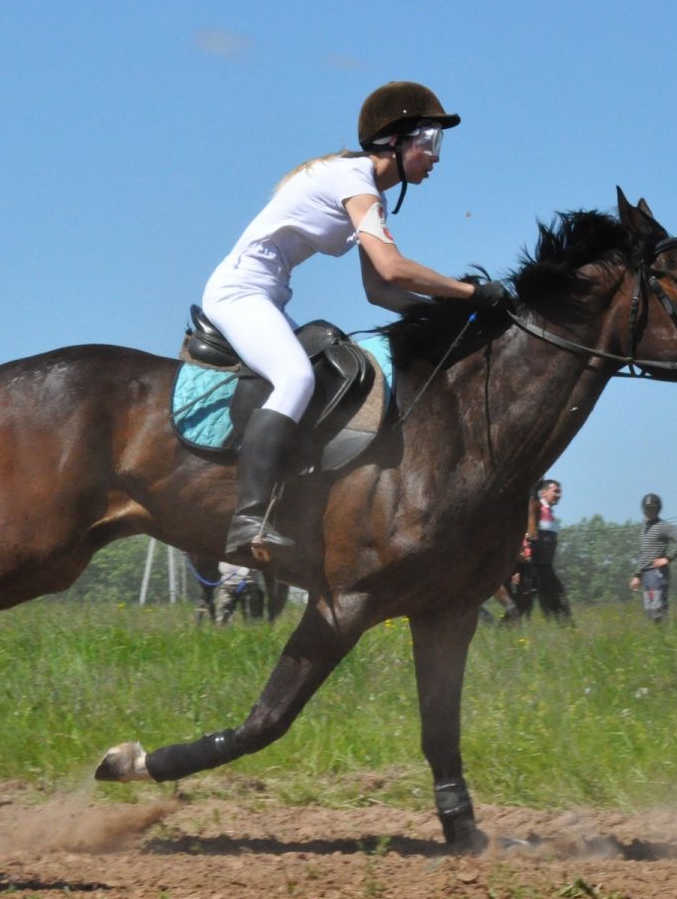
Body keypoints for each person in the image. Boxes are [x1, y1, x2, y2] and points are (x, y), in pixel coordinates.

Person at [202, 81, 509, 560]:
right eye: (430, 143)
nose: (436, 157)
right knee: (295, 377)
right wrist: (470, 292)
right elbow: (393, 268)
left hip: (267, 296)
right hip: (239, 292)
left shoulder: (367, 195)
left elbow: (379, 291)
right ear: (396, 141)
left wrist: (450, 317)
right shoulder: (353, 180)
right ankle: (249, 519)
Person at [630, 493, 677, 623]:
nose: (649, 511)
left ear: (658, 509)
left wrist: (667, 558)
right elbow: (643, 554)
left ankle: (666, 636)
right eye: (647, 508)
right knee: (650, 610)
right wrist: (637, 575)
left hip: (658, 574)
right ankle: (658, 637)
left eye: (652, 508)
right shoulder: (645, 529)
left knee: (658, 610)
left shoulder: (663, 526)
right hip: (646, 575)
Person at [525, 478, 574, 623]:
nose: (559, 495)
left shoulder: (548, 512)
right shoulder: (537, 508)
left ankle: (563, 627)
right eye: (556, 491)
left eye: (560, 492)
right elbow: (529, 532)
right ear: (544, 492)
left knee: (548, 598)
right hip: (536, 565)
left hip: (544, 565)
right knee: (555, 596)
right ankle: (566, 627)